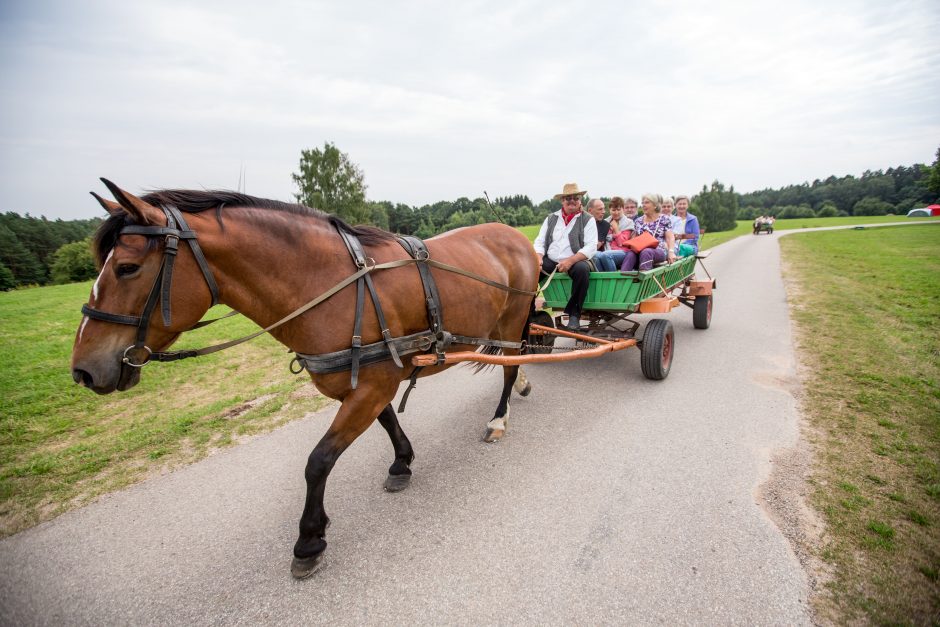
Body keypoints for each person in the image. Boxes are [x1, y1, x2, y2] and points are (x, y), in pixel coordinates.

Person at [533, 183, 598, 329]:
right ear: (562, 201)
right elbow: (540, 241)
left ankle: (574, 315)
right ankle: (529, 309)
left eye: (576, 197)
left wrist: (570, 261)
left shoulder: (588, 219)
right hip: (551, 259)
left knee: (582, 270)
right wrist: (538, 258)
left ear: (580, 200)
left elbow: (591, 246)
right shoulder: (551, 218)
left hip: (576, 259)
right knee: (531, 271)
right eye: (568, 198)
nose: (572, 201)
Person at [620, 193, 676, 271]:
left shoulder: (664, 219)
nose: (643, 205)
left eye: (646, 202)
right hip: (640, 250)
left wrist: (671, 252)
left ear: (655, 205)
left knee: (646, 252)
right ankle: (623, 279)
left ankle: (644, 280)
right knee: (631, 254)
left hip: (659, 251)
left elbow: (670, 237)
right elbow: (634, 239)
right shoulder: (638, 221)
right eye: (642, 203)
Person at [593, 197, 633, 271]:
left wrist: (616, 229)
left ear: (623, 209)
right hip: (606, 250)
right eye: (613, 210)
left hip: (623, 252)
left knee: (606, 255)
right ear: (609, 210)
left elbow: (622, 243)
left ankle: (615, 279)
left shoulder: (628, 222)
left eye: (618, 209)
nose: (616, 212)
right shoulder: (605, 222)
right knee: (594, 255)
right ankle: (603, 280)